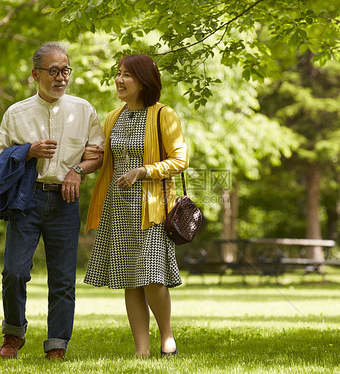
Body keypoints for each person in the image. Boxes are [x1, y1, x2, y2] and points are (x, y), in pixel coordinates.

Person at [0, 41, 104, 361]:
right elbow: (1, 160)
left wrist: (77, 171)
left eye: (65, 70)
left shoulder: (83, 110)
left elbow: (95, 154)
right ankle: (13, 334)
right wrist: (29, 151)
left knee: (63, 278)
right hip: (25, 201)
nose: (61, 77)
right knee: (14, 271)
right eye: (53, 71)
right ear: (36, 74)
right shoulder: (16, 113)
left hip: (65, 202)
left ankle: (57, 344)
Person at [83, 54, 188, 357]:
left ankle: (166, 337)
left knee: (152, 277)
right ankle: (141, 350)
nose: (119, 79)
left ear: (144, 82)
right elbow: (106, 157)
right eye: (118, 73)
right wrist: (87, 158)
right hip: (118, 208)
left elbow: (180, 160)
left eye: (127, 75)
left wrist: (144, 171)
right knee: (131, 278)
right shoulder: (113, 117)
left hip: (153, 208)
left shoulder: (163, 114)